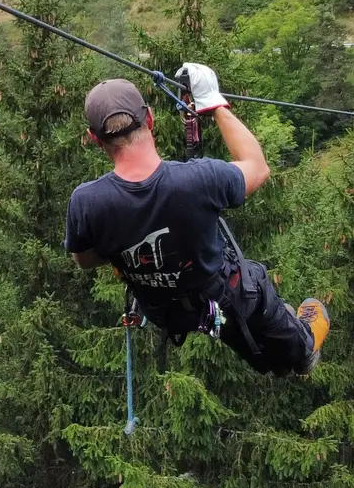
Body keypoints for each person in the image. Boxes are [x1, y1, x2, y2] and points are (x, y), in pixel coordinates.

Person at [65, 63, 329, 376]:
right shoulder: (199, 179)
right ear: (149, 119)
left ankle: (278, 346)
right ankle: (302, 342)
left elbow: (84, 260)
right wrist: (215, 105)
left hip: (168, 311)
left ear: (95, 138)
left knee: (260, 350)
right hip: (223, 300)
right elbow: (257, 167)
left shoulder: (86, 201)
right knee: (283, 337)